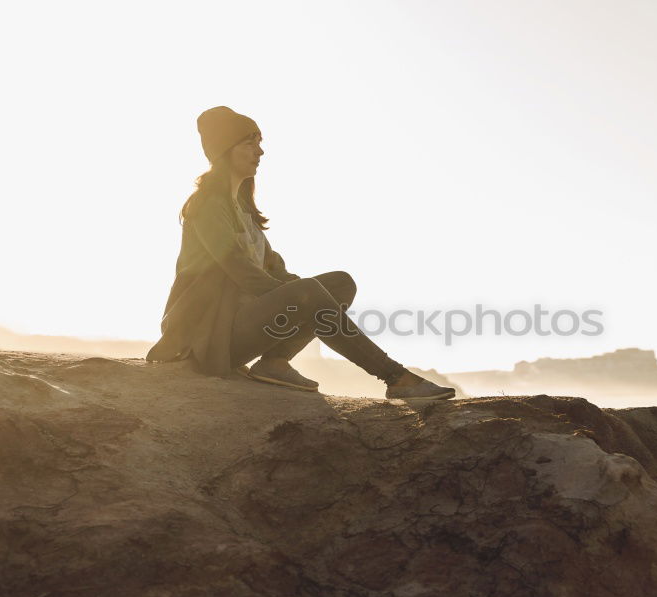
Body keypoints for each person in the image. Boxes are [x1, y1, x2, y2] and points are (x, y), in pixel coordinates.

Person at [146, 106, 455, 400]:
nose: (260, 152)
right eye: (250, 142)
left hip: (244, 326)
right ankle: (396, 377)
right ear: (225, 149)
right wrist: (302, 297)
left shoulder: (243, 210)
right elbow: (241, 270)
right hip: (210, 337)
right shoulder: (208, 205)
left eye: (259, 142)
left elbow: (274, 270)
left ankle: (275, 362)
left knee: (340, 283)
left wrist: (307, 294)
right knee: (308, 291)